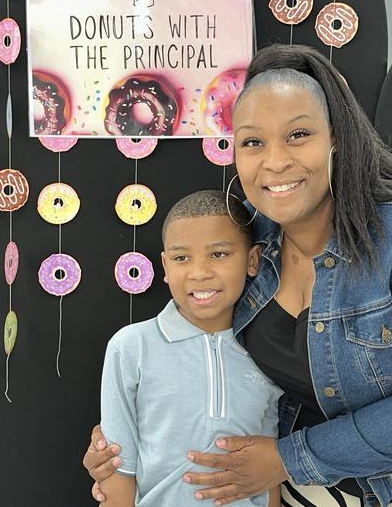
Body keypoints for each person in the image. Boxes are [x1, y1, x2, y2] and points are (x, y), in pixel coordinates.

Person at [85, 44, 392, 507]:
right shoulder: (248, 235)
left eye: (298, 135)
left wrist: (286, 459)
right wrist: (124, 443)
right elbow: (195, 329)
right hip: (300, 477)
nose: (275, 162)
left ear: (335, 138)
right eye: (252, 142)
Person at [98, 190, 283, 507]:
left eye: (219, 254)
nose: (199, 273)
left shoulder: (267, 352)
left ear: (252, 260)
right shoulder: (130, 347)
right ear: (165, 266)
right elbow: (117, 468)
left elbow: (269, 473)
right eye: (182, 258)